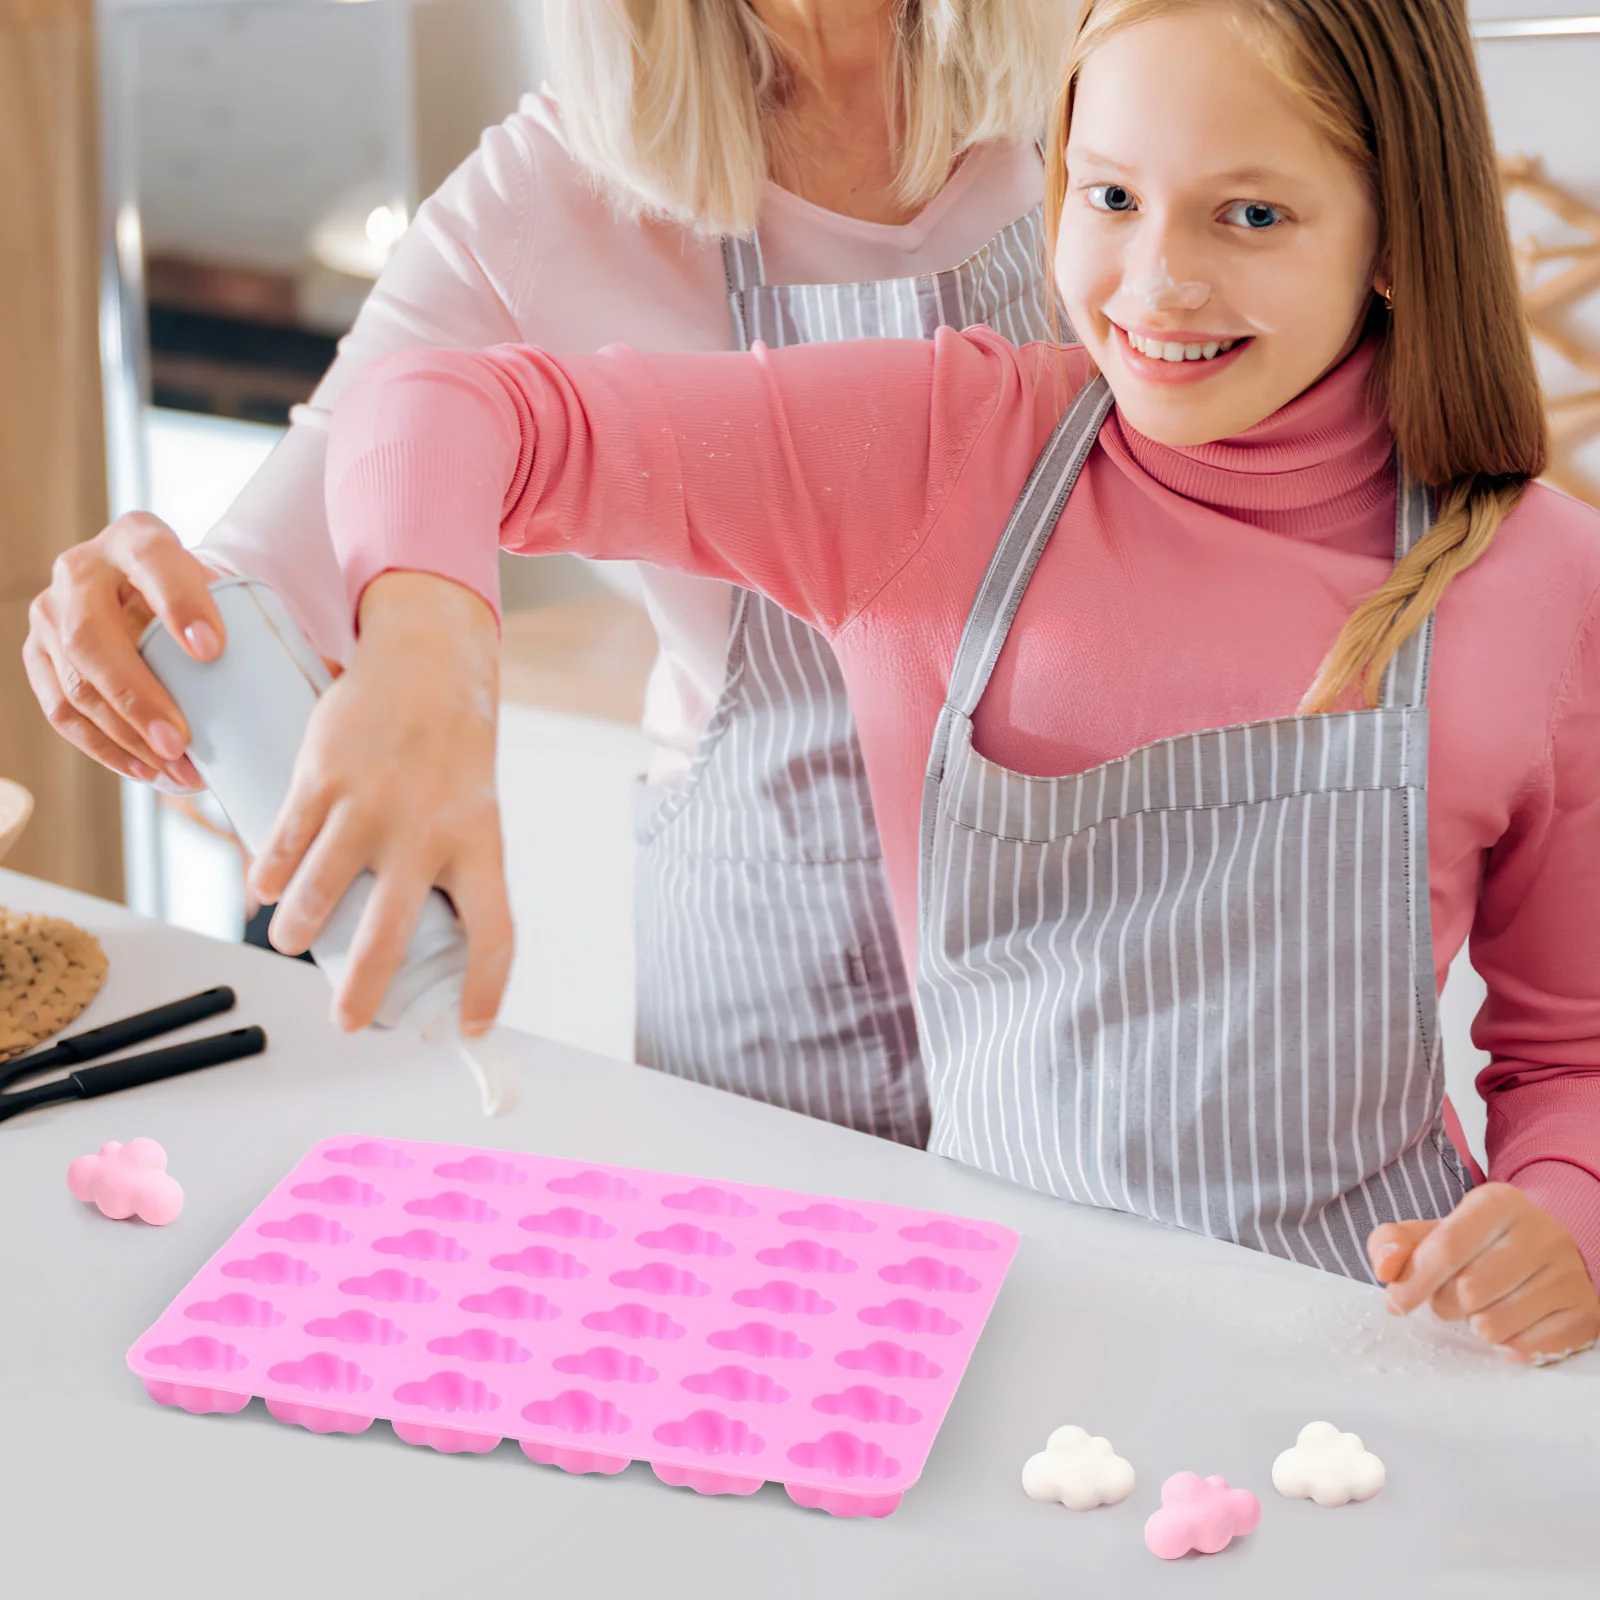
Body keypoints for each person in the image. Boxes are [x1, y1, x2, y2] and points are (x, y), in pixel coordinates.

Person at [313, 0, 1600, 1359]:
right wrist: (425, 659)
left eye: (1252, 217)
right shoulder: (942, 454)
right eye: (1109, 195)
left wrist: (1564, 1215)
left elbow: (1575, 1051)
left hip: (1371, 1362)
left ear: (1396, 233)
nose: (1155, 282)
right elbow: (440, 404)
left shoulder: (1543, 580)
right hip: (991, 1349)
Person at [22, 1, 1068, 1144]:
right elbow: (271, 574)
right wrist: (147, 626)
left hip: (1089, 925)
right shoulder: (545, 190)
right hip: (775, 967)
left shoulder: (1102, 67)